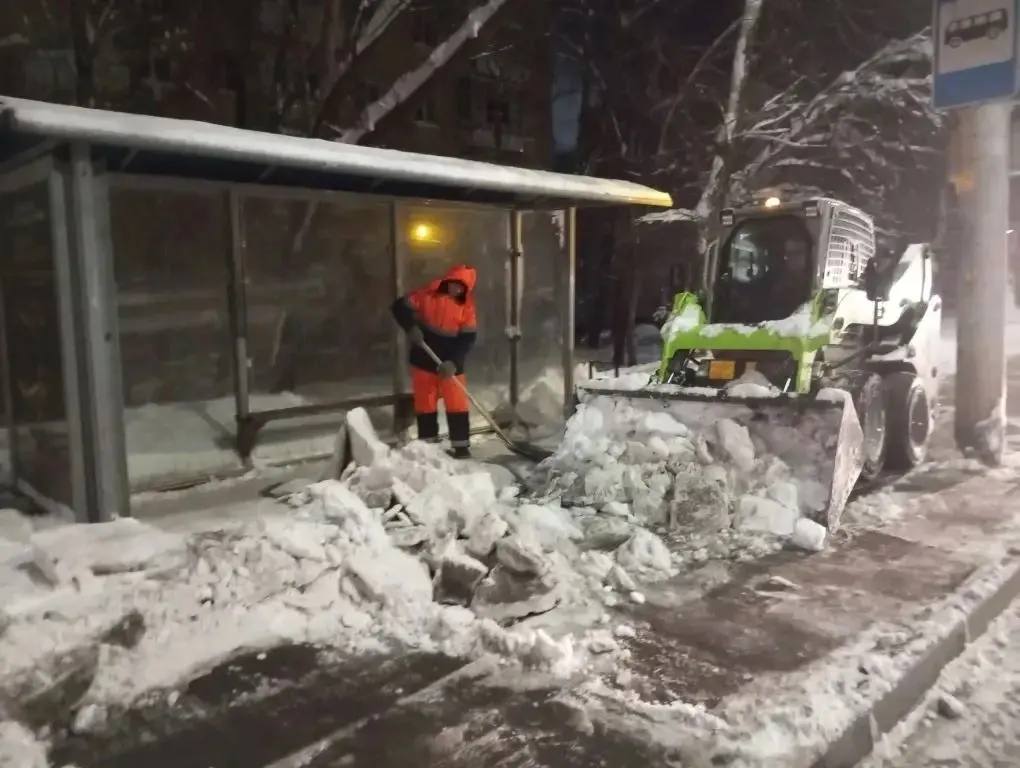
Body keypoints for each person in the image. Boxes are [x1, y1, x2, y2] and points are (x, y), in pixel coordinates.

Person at [391, 264, 477, 458]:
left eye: (461, 287)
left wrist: (453, 362)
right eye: (454, 284)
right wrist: (411, 327)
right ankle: (427, 447)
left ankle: (461, 446)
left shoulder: (467, 308)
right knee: (425, 404)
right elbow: (399, 307)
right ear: (448, 281)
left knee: (457, 403)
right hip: (424, 359)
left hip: (451, 365)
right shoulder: (427, 295)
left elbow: (467, 339)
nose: (456, 289)